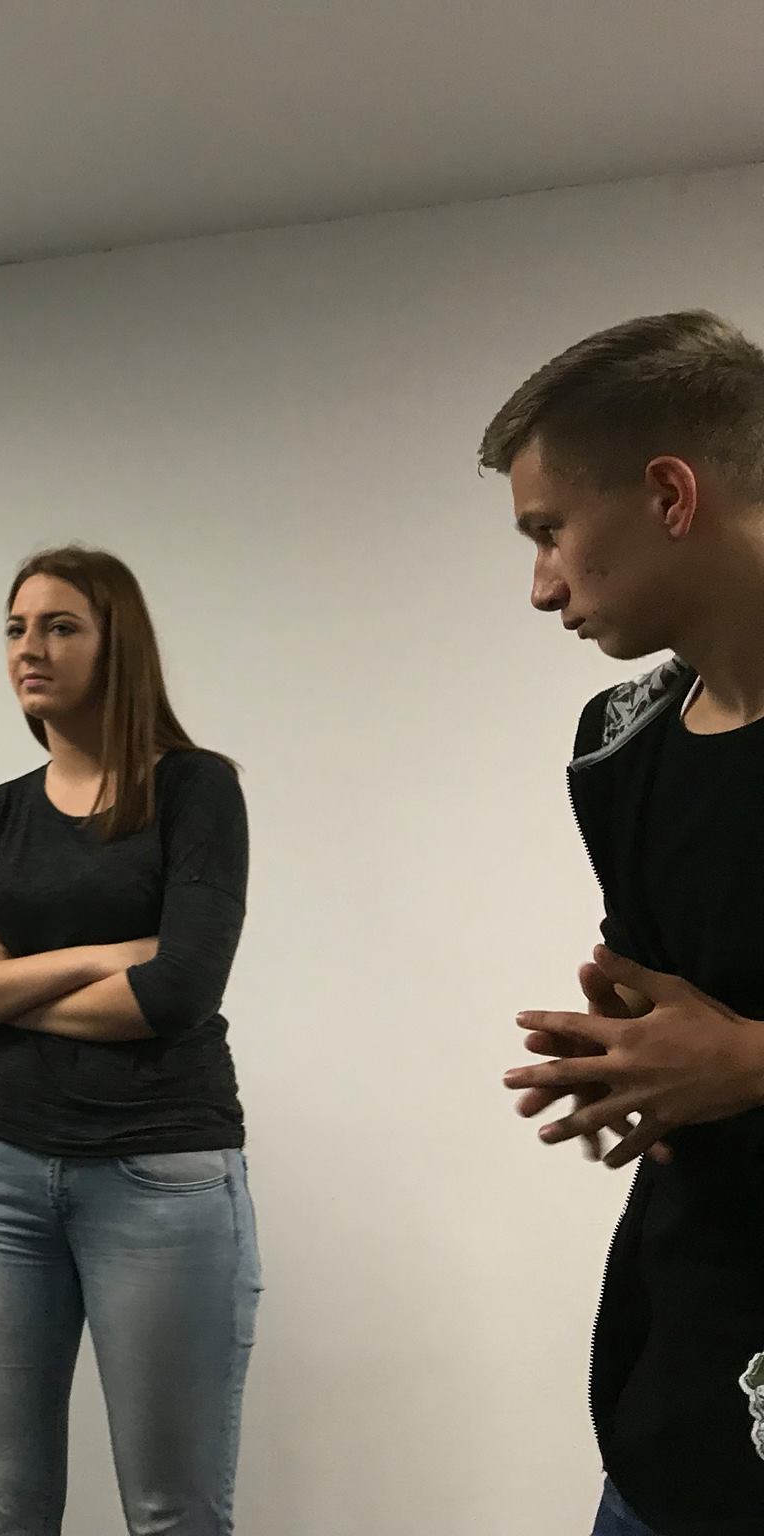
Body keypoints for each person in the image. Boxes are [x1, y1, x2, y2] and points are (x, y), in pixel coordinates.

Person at [0, 545, 258, 1536]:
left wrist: (5, 983)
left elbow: (175, 992)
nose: (31, 648)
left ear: (117, 645)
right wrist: (104, 956)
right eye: (17, 629)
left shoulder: (194, 790)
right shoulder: (1, 813)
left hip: (160, 1177)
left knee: (171, 1515)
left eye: (60, 627)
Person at [487, 311, 764, 1536]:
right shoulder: (617, 745)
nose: (540, 585)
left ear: (667, 494)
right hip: (683, 1381)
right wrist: (631, 1068)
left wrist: (744, 1062)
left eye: (548, 531)